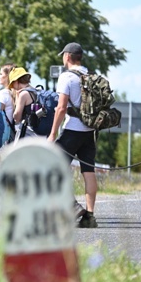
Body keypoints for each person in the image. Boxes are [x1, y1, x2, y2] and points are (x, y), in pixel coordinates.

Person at [47, 42, 98, 228]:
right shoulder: (91, 75)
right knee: (88, 172)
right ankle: (90, 215)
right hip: (90, 130)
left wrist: (53, 133)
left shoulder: (66, 77)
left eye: (63, 55)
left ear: (67, 56)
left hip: (72, 130)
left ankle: (73, 207)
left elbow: (61, 108)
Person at [10, 67, 38, 140]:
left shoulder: (23, 94)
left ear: (16, 81)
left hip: (28, 136)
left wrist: (17, 97)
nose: (13, 87)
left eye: (12, 84)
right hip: (40, 135)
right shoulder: (36, 91)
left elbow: (17, 118)